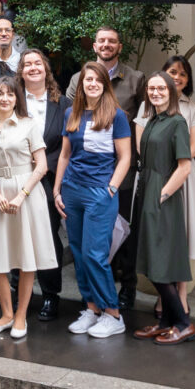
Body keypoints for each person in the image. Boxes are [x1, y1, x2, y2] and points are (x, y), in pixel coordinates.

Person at [55, 60, 131, 338]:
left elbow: (125, 157)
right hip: (72, 190)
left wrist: (111, 188)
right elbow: (65, 155)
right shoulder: (71, 113)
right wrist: (57, 190)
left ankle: (113, 313)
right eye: (88, 79)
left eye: (98, 80)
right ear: (81, 84)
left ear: (105, 84)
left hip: (100, 193)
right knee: (78, 252)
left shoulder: (117, 115)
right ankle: (91, 308)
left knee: (95, 255)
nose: (93, 84)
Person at [0, 77, 55, 339]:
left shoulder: (28, 124)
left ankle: (21, 315)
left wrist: (22, 195)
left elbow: (42, 165)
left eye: (10, 94)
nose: (4, 99)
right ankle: (6, 314)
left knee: (26, 256)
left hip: (27, 192)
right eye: (0, 94)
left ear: (17, 98)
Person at [133, 73, 195, 345]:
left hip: (161, 197)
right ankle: (165, 322)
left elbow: (185, 167)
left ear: (171, 91)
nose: (155, 92)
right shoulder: (153, 120)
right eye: (151, 88)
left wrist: (162, 196)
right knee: (152, 259)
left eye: (161, 88)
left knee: (159, 262)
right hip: (147, 190)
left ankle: (183, 323)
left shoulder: (177, 122)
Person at [155, 56, 195, 319]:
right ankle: (163, 295)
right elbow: (142, 145)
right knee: (159, 238)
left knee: (181, 238)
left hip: (184, 177)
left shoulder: (194, 109)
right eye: (172, 71)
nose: (177, 77)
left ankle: (181, 296)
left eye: (183, 74)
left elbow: (194, 149)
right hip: (155, 176)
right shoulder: (149, 104)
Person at [19, 49, 68, 321]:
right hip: (15, 177)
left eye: (37, 63)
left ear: (46, 69)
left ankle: (50, 293)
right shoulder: (12, 99)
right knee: (17, 235)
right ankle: (19, 293)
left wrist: (41, 165)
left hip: (48, 180)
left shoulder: (63, 104)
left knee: (47, 236)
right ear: (21, 71)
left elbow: (66, 146)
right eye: (27, 64)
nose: (33, 68)